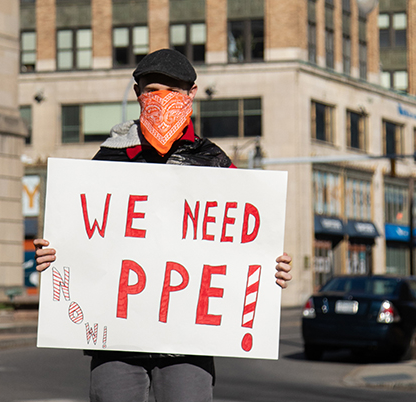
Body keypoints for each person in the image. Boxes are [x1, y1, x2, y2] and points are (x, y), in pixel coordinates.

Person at [33, 48, 292, 402]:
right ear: (138, 94)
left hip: (189, 343)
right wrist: (54, 254)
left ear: (192, 94)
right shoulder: (109, 158)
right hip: (117, 341)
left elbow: (243, 245)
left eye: (172, 91)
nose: (161, 100)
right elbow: (82, 235)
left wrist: (269, 268)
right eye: (153, 90)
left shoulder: (214, 163)